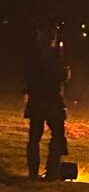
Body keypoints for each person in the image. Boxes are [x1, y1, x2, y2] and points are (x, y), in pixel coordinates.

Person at [23, 24, 70, 181]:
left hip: (37, 99)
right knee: (57, 135)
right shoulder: (53, 55)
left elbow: (28, 76)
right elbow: (60, 76)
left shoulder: (33, 54)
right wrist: (66, 71)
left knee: (35, 137)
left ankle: (34, 173)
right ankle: (52, 171)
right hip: (50, 99)